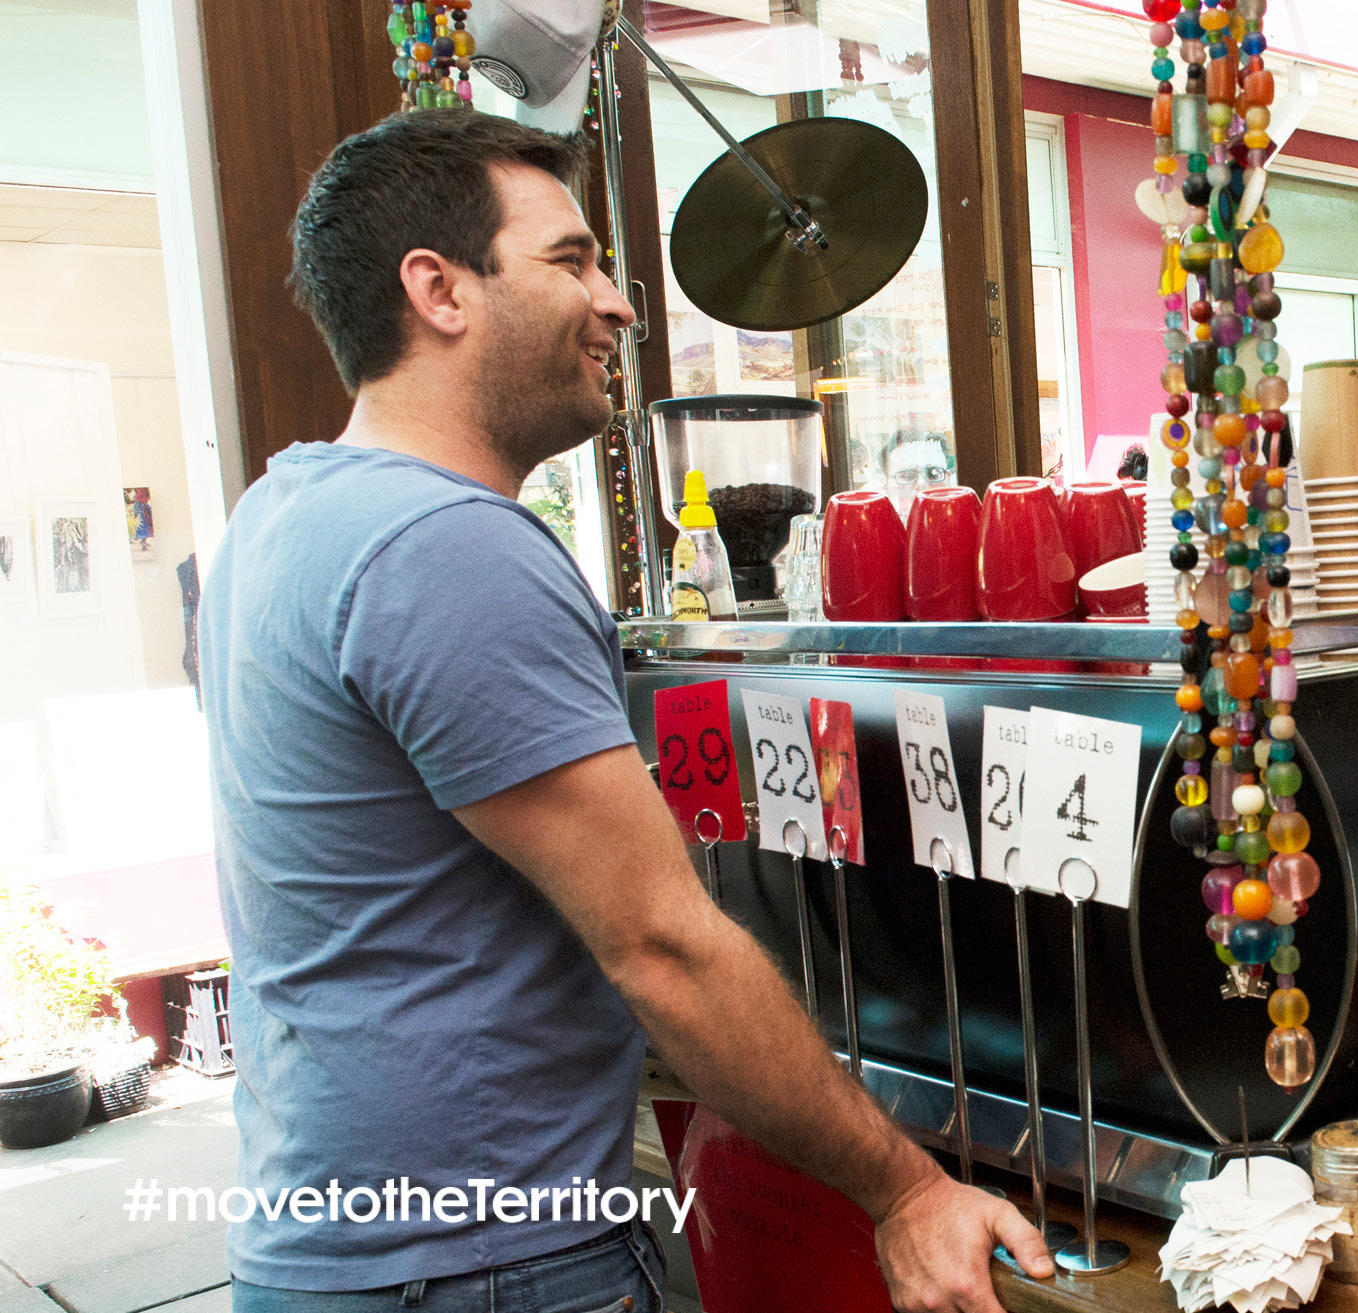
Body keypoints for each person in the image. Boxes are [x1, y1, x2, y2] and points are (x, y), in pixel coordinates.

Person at [199, 111, 1048, 1312]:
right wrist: (908, 1190)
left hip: (329, 1240)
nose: (617, 304)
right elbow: (663, 947)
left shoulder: (280, 514)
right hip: (482, 1265)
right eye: (571, 259)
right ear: (438, 289)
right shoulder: (445, 546)